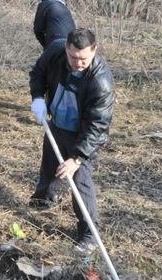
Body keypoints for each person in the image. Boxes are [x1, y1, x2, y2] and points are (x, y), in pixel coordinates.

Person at [29, 28, 114, 254]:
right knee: (50, 163)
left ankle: (88, 234)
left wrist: (77, 158)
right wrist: (38, 97)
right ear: (67, 48)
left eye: (84, 58)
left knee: (80, 180)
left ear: (94, 50)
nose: (78, 63)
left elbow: (98, 126)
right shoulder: (55, 52)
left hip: (82, 132)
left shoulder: (100, 82)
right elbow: (38, 73)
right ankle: (43, 199)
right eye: (74, 57)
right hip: (56, 120)